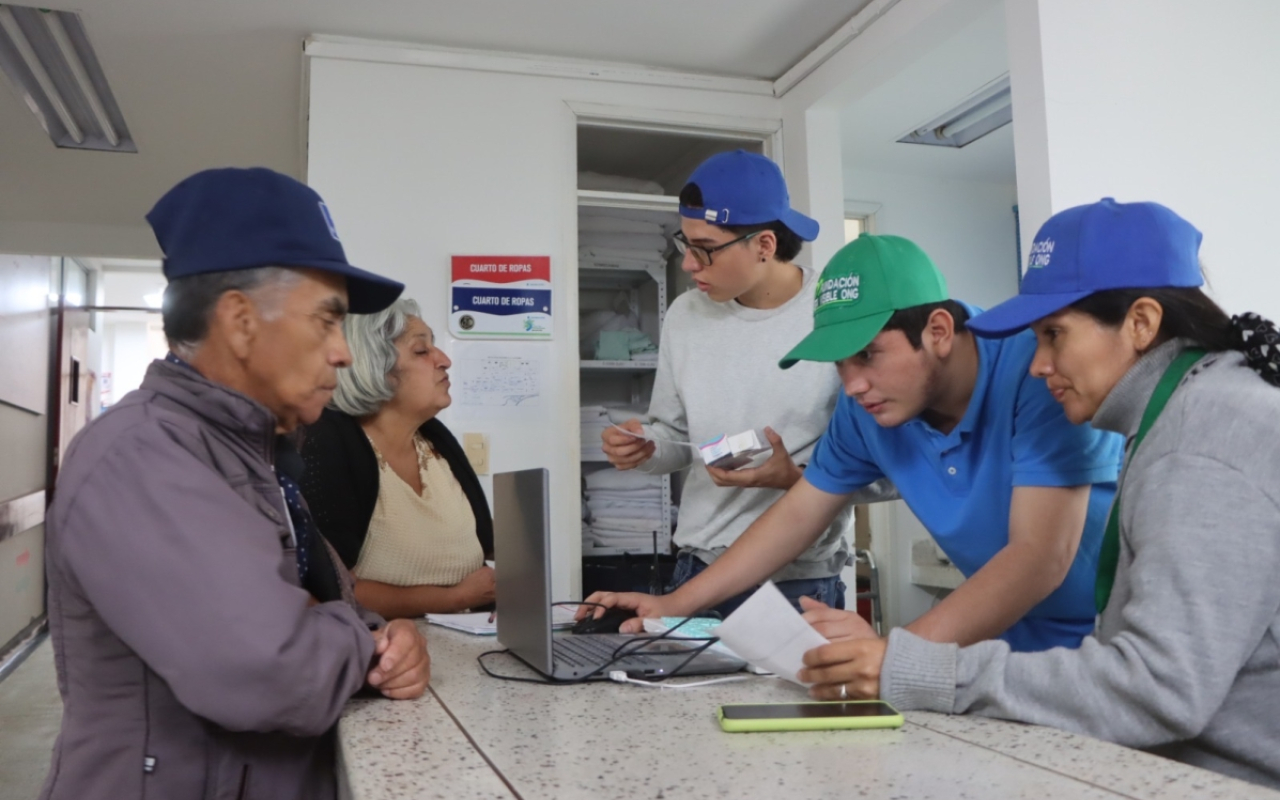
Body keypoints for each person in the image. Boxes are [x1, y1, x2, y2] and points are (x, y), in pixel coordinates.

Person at [799, 198, 1280, 789]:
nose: (1037, 364)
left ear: (1141, 323)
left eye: (1054, 335)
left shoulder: (1200, 443)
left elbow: (1161, 688)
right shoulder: (1191, 410)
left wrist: (916, 668)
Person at [39, 167, 431, 800]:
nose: (345, 353)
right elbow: (271, 673)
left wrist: (381, 636)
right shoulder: (141, 454)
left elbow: (328, 607)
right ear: (241, 321)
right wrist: (360, 640)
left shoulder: (255, 454)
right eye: (326, 321)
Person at [587, 233, 1123, 653]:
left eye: (867, 355)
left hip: (1104, 637)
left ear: (938, 331)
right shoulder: (863, 409)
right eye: (840, 363)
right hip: (997, 640)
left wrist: (894, 649)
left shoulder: (1040, 371)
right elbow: (798, 514)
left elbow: (1039, 558)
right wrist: (673, 604)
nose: (852, 384)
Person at [599, 149, 871, 616]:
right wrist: (644, 447)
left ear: (764, 244)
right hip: (695, 568)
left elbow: (889, 466)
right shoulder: (685, 315)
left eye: (704, 248)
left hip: (798, 583)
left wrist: (797, 480)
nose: (688, 265)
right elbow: (673, 435)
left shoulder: (837, 315)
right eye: (684, 244)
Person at [300, 298, 495, 619]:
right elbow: (324, 588)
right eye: (421, 351)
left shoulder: (438, 444)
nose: (444, 360)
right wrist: (454, 598)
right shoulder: (328, 447)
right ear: (372, 365)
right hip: (385, 654)